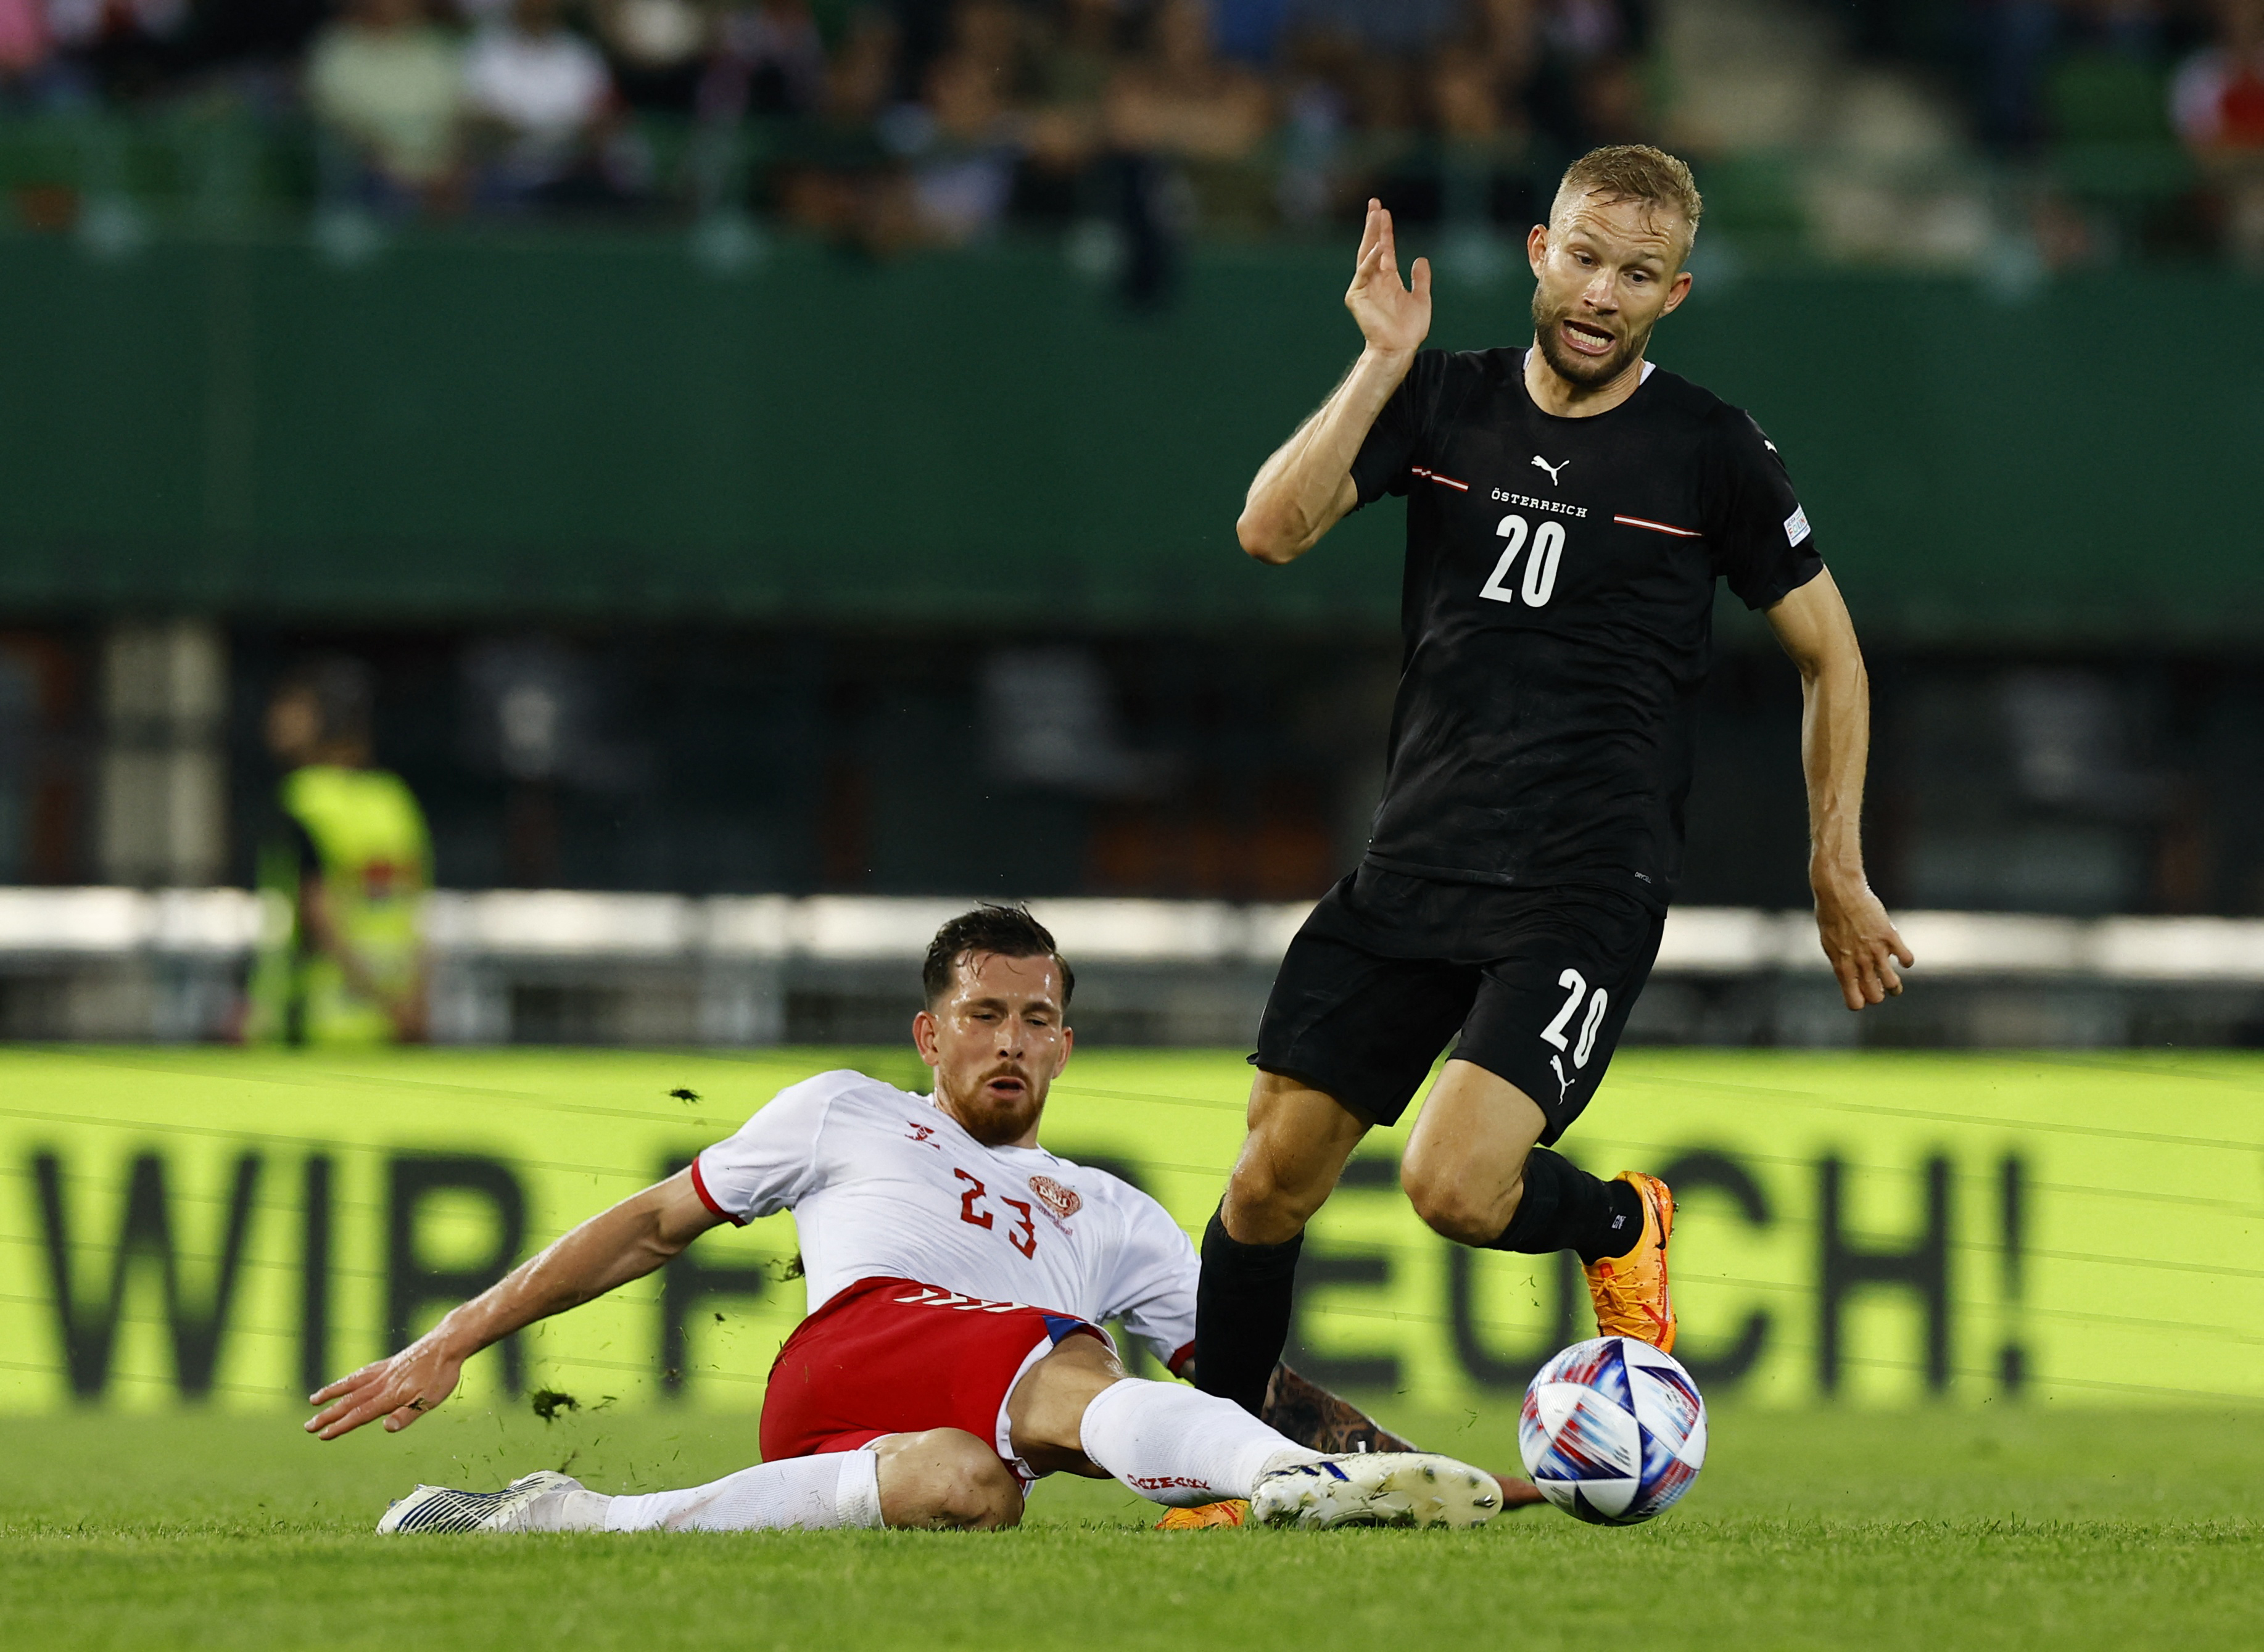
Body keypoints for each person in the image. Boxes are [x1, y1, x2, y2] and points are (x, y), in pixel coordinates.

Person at [1195, 144, 1914, 1418]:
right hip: (1416, 859)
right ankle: (1222, 1464)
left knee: (1452, 1186)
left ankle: (1618, 1221)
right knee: (1265, 1181)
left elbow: (1833, 658)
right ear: (1540, 251)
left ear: (1672, 295)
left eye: (1636, 274)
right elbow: (1268, 530)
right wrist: (1379, 361)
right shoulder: (1440, 399)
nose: (1599, 293)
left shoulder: (1711, 452)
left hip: (1583, 881)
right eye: (1583, 258)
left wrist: (1835, 867)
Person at [306, 906, 1510, 1535]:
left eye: (1035, 1019)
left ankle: (574, 1518)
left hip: (934, 1431)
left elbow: (1249, 1381)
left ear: (1065, 1044)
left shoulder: (1115, 1212)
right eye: (983, 1014)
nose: (1009, 1040)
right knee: (1071, 1356)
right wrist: (455, 1335)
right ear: (930, 1035)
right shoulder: (846, 1110)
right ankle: (1285, 1486)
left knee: (974, 1490)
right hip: (848, 1352)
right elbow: (651, 1224)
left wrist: (1462, 1481)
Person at [244, 657, 432, 1047]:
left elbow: (318, 915)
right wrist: (412, 1003)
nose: (276, 722)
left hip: (308, 1020)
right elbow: (414, 915)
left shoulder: (303, 798)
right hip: (389, 1026)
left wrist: (379, 999)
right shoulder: (394, 801)